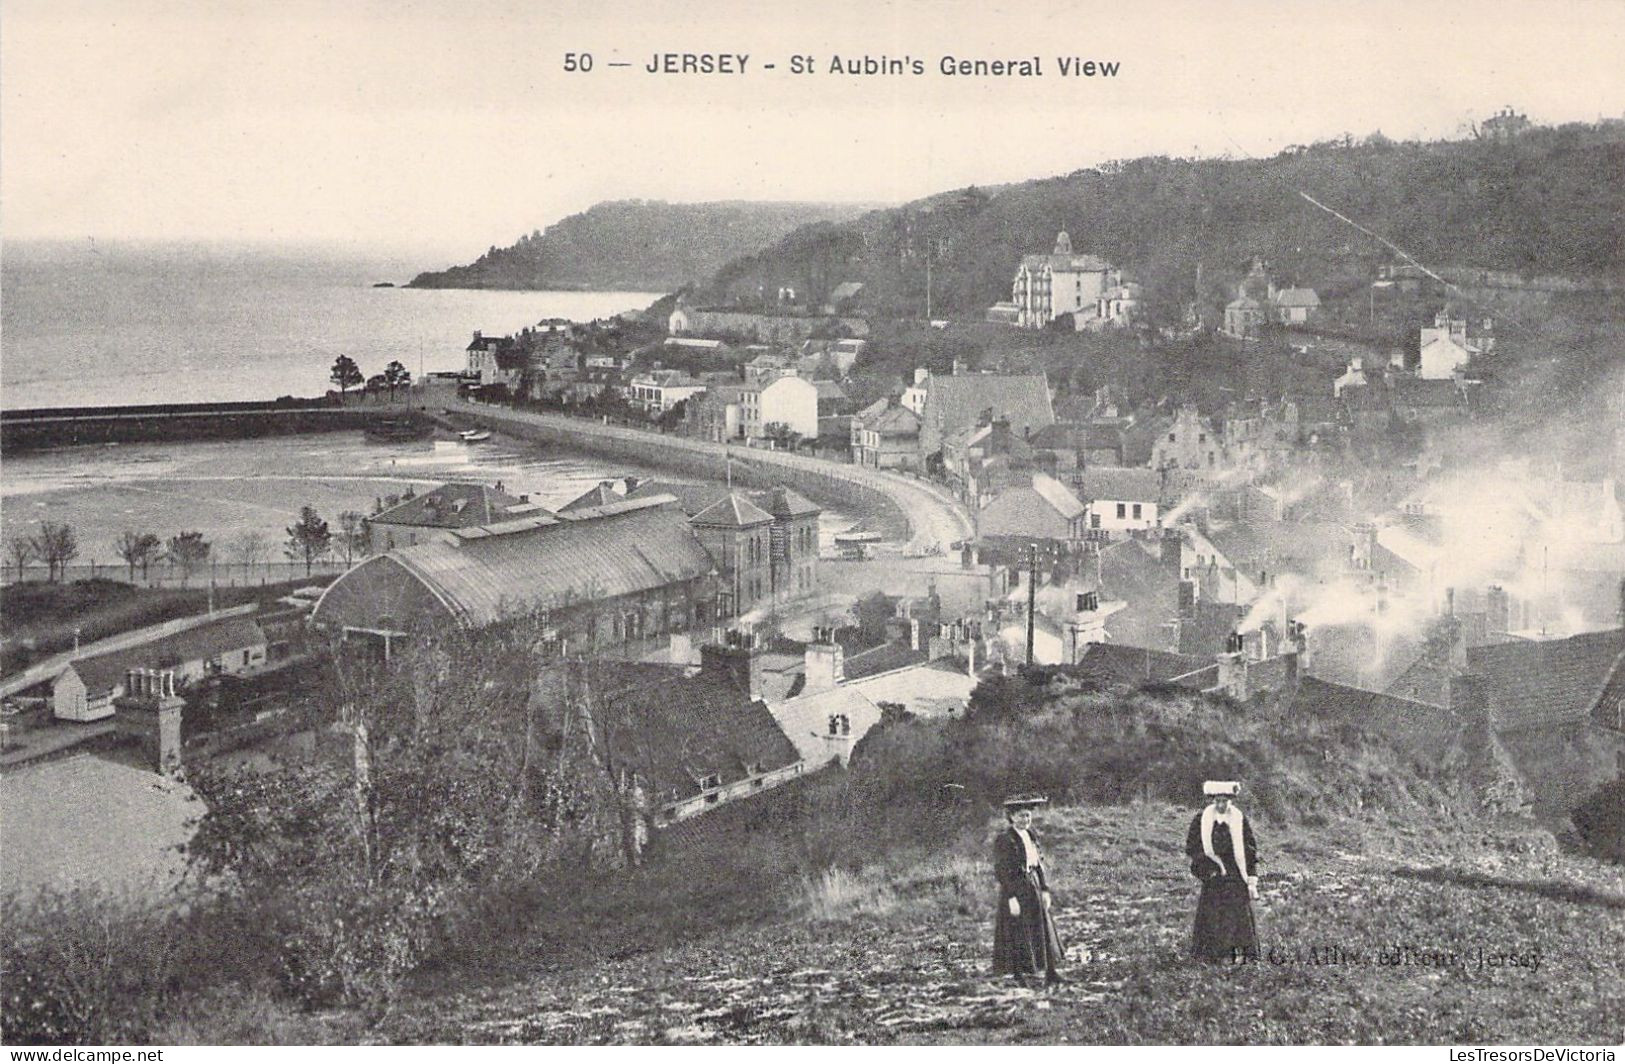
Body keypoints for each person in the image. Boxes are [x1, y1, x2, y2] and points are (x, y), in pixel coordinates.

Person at [992, 794, 1066, 986]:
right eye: (1021, 816)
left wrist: (1044, 889)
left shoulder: (1031, 834)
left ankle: (1050, 972)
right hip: (1017, 888)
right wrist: (1011, 897)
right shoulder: (1005, 839)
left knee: (1042, 927)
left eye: (1028, 816)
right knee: (1017, 930)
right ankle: (1020, 974)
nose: (1025, 820)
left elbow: (1038, 864)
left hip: (1033, 884)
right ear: (1012, 817)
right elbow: (1001, 871)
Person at [1185, 780, 1260, 963]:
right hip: (1213, 873)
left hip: (1235, 872)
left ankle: (1241, 956)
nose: (1220, 805)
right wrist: (1207, 870)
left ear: (1230, 801)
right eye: (1217, 801)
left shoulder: (1238, 819)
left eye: (1224, 801)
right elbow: (1193, 848)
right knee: (1212, 913)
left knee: (1238, 914)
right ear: (1212, 800)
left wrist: (1250, 875)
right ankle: (1211, 956)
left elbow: (1249, 848)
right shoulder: (1201, 820)